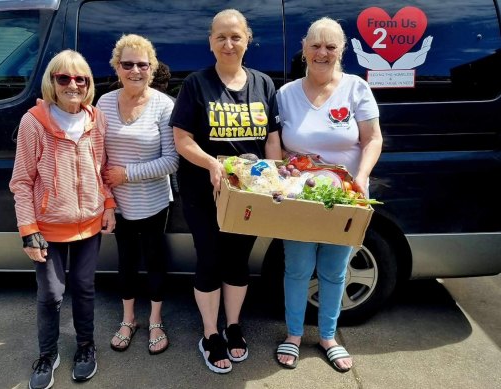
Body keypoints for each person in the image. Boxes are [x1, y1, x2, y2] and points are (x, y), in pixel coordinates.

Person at [170, 9, 282, 374]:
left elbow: (272, 140)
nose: (228, 43)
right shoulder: (195, 84)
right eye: (221, 37)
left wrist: (275, 179)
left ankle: (233, 325)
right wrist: (213, 164)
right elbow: (182, 140)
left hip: (250, 196)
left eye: (235, 36)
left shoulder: (264, 84)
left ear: (247, 39)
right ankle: (209, 333)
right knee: (209, 259)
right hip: (205, 193)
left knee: (237, 261)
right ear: (211, 42)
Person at [274, 17, 383, 372]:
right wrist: (279, 173)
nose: (323, 52)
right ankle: (292, 335)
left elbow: (372, 139)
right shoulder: (285, 94)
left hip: (345, 200)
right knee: (298, 269)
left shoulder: (356, 88)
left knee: (335, 271)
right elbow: (275, 145)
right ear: (304, 49)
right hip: (299, 199)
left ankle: (328, 337)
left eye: (331, 46)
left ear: (342, 50)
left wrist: (362, 178)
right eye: (316, 45)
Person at [9, 49, 115, 389]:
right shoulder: (34, 122)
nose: (73, 84)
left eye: (81, 78)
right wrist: (28, 230)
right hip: (47, 226)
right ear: (52, 82)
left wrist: (108, 205)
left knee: (84, 288)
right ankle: (47, 353)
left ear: (88, 84)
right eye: (64, 78)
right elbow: (22, 181)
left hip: (89, 224)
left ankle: (85, 347)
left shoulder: (96, 119)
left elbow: (101, 170)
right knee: (51, 293)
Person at [97, 34, 178, 356]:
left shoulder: (164, 105)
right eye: (127, 64)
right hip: (117, 203)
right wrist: (107, 199)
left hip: (155, 201)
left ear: (152, 68)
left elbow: (172, 161)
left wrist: (127, 174)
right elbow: (97, 159)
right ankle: (129, 319)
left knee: (155, 260)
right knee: (127, 262)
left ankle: (156, 321)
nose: (135, 70)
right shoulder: (103, 103)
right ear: (117, 67)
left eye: (142, 65)